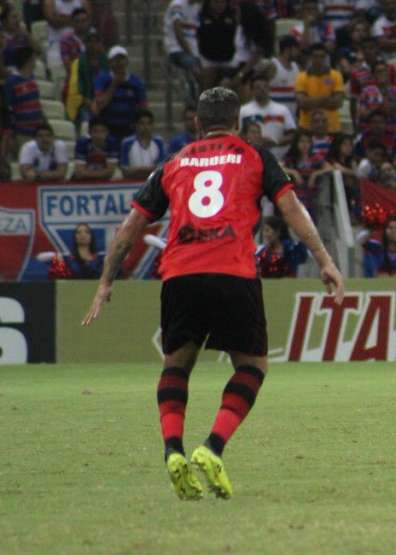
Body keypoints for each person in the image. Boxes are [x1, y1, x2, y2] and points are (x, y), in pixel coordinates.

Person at [82, 86, 344, 500]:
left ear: (198, 123)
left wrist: (105, 282)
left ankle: (173, 451)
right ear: (237, 122)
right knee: (253, 365)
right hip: (232, 272)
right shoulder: (254, 155)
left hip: (180, 275)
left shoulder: (173, 162)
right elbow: (293, 210)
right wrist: (324, 259)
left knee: (176, 364)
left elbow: (130, 227)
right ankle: (212, 447)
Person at [165, 0, 211, 103]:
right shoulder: (178, 5)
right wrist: (190, 52)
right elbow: (178, 30)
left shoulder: (198, 8)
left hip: (195, 50)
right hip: (177, 49)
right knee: (196, 69)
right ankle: (196, 102)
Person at [239, 63, 296, 159]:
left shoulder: (282, 110)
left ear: (269, 89)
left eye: (265, 87)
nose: (262, 90)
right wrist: (254, 142)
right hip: (251, 157)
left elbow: (292, 135)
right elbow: (238, 135)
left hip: (278, 157)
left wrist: (275, 142)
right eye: (258, 87)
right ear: (252, 90)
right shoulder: (244, 111)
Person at [92, 47, 148, 144]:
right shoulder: (102, 79)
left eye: (121, 59)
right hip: (108, 128)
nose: (119, 63)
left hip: (129, 128)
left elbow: (143, 108)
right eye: (115, 60)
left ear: (127, 61)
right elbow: (100, 105)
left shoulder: (136, 82)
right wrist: (115, 83)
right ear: (109, 63)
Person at [295, 43, 345, 133]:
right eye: (315, 57)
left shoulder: (336, 75)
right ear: (310, 57)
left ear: (326, 58)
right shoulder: (301, 77)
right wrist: (326, 100)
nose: (319, 60)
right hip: (307, 128)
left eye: (322, 57)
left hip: (332, 128)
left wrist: (310, 101)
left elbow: (338, 103)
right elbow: (302, 104)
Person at [119, 109, 167, 179]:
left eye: (148, 123)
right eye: (142, 123)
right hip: (131, 183)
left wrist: (138, 170)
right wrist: (149, 170)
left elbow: (161, 170)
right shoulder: (127, 143)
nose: (145, 127)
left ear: (152, 125)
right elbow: (125, 171)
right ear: (135, 125)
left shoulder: (159, 142)